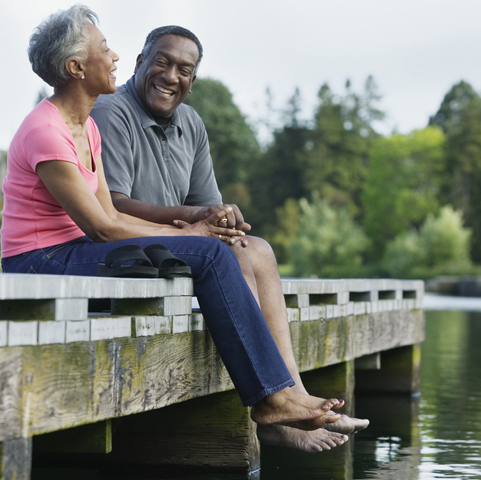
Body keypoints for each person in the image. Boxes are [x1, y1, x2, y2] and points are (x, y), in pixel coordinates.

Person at [0, 4, 345, 436]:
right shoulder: (45, 132)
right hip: (39, 260)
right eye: (105, 50)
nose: (115, 58)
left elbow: (109, 214)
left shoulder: (84, 127)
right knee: (212, 255)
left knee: (214, 249)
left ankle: (280, 394)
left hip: (74, 251)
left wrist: (195, 232)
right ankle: (273, 398)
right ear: (75, 67)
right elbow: (103, 227)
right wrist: (195, 234)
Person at [90, 25, 369, 451]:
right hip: (129, 247)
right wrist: (194, 218)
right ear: (140, 63)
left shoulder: (192, 123)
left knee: (256, 248)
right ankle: (273, 403)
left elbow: (207, 205)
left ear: (193, 80)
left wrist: (221, 219)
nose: (170, 76)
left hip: (174, 244)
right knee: (231, 257)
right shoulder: (113, 110)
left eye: (184, 69)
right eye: (162, 62)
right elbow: (111, 206)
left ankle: (290, 394)